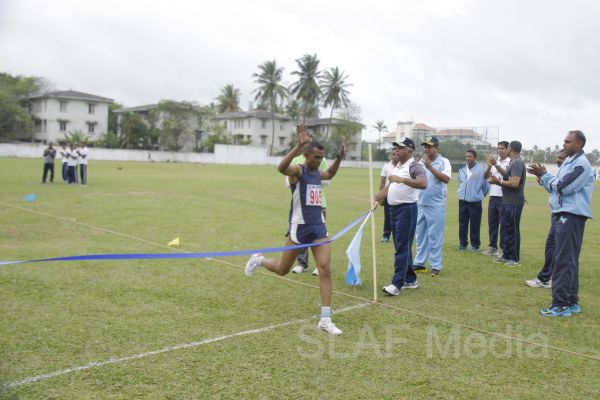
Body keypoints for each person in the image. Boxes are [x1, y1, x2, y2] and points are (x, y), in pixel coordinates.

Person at [245, 126, 346, 334]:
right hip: (299, 229)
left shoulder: (317, 173)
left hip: (319, 228)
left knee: (325, 269)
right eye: (316, 157)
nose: (319, 161)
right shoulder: (298, 171)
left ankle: (325, 319)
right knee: (282, 269)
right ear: (306, 155)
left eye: (321, 158)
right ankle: (259, 260)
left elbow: (330, 174)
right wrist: (298, 146)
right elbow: (281, 168)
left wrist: (339, 157)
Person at [528, 131, 594, 317]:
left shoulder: (581, 164)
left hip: (571, 215)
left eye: (568, 141)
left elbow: (563, 187)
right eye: (564, 141)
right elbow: (554, 188)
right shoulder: (568, 161)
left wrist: (545, 175)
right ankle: (571, 302)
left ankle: (560, 305)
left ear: (579, 144)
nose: (564, 144)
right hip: (560, 213)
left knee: (563, 259)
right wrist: (544, 178)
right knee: (566, 258)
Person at [375, 138, 427, 296]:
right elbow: (390, 187)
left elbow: (423, 183)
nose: (396, 150)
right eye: (396, 147)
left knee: (402, 247)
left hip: (407, 210)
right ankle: (410, 279)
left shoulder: (414, 166)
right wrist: (377, 198)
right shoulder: (397, 166)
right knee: (402, 246)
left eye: (400, 148)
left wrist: (402, 180)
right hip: (393, 210)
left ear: (410, 150)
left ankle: (397, 284)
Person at [525, 150, 567, 288]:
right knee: (553, 247)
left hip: (563, 214)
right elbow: (552, 189)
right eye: (557, 157)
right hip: (557, 212)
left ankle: (546, 279)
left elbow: (560, 188)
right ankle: (551, 278)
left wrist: (543, 175)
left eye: (561, 158)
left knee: (553, 247)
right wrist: (541, 176)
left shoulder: (569, 171)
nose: (558, 160)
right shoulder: (562, 171)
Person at [413, 136, 451, 276]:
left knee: (435, 236)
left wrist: (430, 167)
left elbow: (446, 179)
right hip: (420, 203)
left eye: (429, 147)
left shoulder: (444, 161)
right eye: (425, 147)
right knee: (420, 234)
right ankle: (419, 263)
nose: (427, 149)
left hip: (436, 205)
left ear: (436, 147)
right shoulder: (420, 162)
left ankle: (436, 265)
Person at [290, 150, 330, 276]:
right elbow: (288, 180)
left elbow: (327, 180)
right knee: (301, 236)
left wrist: (312, 177)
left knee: (318, 236)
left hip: (319, 205)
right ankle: (302, 263)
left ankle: (320, 265)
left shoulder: (321, 160)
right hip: (301, 206)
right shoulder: (296, 160)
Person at [489, 141, 526, 267]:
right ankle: (507, 255)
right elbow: (506, 174)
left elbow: (515, 183)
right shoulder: (513, 162)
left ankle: (515, 259)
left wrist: (498, 182)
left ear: (510, 148)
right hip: (507, 201)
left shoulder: (518, 162)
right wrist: (496, 165)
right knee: (507, 229)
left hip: (514, 202)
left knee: (513, 230)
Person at [457, 149, 489, 252]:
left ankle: (475, 245)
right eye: (466, 156)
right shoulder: (462, 169)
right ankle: (463, 244)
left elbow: (485, 187)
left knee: (475, 224)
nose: (468, 158)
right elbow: (461, 182)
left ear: (475, 158)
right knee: (462, 223)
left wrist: (478, 195)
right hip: (462, 201)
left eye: (470, 156)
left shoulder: (481, 170)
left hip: (475, 202)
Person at [482, 141, 510, 256]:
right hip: (493, 196)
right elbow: (485, 177)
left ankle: (503, 248)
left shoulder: (510, 162)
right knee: (492, 223)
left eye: (502, 148)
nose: (499, 150)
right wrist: (489, 166)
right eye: (498, 148)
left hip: (504, 197)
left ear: (508, 149)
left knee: (503, 224)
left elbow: (507, 175)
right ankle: (492, 246)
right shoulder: (495, 161)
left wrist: (495, 165)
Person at [379, 147, 401, 242]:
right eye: (393, 154)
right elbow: (382, 182)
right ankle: (386, 235)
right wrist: (381, 197)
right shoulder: (386, 167)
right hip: (388, 195)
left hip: (400, 195)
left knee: (399, 217)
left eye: (397, 154)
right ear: (390, 155)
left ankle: (398, 235)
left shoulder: (402, 166)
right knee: (388, 216)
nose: (395, 156)